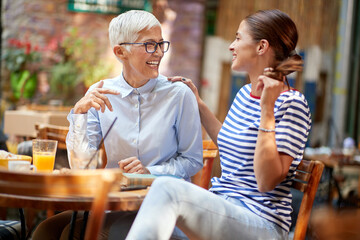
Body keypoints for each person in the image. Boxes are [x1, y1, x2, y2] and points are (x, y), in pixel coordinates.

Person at [125, 9, 312, 240]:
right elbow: (229, 145)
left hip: (262, 223)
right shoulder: (244, 94)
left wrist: (267, 110)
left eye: (238, 38)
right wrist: (199, 105)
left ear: (261, 47)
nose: (231, 46)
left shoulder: (292, 104)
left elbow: (266, 181)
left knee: (166, 189)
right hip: (224, 207)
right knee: (125, 220)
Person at [32, 10, 203, 240]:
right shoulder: (101, 93)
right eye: (150, 45)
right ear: (120, 51)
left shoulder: (178, 94)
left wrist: (148, 171)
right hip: (115, 204)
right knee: (46, 231)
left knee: (75, 234)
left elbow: (192, 160)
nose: (159, 52)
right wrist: (80, 116)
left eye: (161, 44)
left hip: (163, 207)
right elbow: (82, 167)